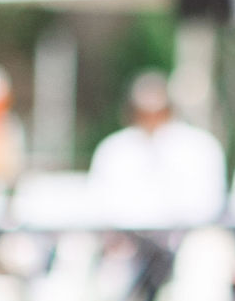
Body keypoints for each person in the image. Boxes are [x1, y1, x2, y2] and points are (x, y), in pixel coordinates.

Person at [86, 71, 225, 230]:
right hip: (124, 237)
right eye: (144, 113)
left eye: (158, 113)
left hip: (186, 235)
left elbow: (207, 204)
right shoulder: (113, 149)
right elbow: (99, 202)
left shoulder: (200, 146)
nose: (151, 121)